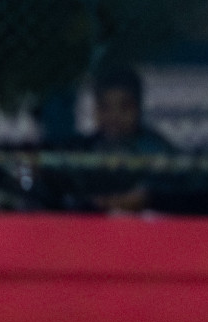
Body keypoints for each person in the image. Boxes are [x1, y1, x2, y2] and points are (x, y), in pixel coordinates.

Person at [61, 64, 174, 213]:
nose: (114, 116)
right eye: (105, 107)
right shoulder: (82, 149)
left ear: (139, 107)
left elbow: (169, 192)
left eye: (125, 107)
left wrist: (147, 199)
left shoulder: (158, 150)